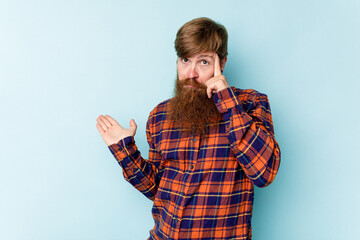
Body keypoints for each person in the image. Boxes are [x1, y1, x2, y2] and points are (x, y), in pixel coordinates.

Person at [96, 17, 280, 240]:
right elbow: (157, 190)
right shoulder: (159, 116)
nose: (191, 73)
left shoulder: (250, 103)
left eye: (203, 62)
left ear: (222, 63)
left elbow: (264, 173)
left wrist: (228, 103)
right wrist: (125, 153)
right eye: (185, 60)